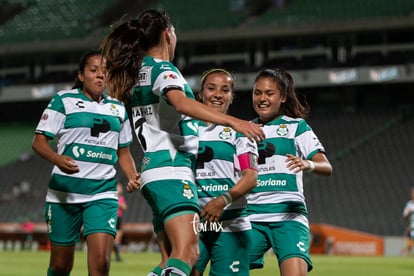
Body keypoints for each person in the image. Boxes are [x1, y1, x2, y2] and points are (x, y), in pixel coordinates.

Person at [100, 9, 264, 276]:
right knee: (189, 252)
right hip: (172, 170)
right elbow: (181, 102)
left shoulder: (137, 73)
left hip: (154, 171)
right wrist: (233, 121)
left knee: (169, 261)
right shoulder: (164, 69)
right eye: (174, 32)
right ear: (167, 34)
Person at [32, 49, 140, 276]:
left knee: (100, 264)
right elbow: (39, 142)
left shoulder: (118, 107)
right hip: (64, 193)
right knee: (61, 266)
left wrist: (132, 175)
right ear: (81, 75)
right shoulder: (64, 100)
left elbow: (123, 152)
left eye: (105, 71)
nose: (100, 75)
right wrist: (57, 159)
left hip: (102, 193)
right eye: (94, 70)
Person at [247, 68, 333, 276]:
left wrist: (308, 164)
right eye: (258, 93)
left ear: (283, 97)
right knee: (224, 269)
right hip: (251, 217)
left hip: (289, 216)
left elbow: (326, 166)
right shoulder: (244, 129)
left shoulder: (297, 127)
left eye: (269, 93)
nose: (262, 98)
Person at [191, 69, 258, 276]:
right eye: (211, 89)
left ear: (232, 96)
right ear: (201, 94)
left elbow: (251, 176)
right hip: (192, 224)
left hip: (230, 222)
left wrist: (222, 200)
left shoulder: (241, 131)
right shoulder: (184, 129)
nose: (218, 94)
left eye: (225, 90)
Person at [113, 182, 128, 262]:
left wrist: (119, 204)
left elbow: (125, 207)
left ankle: (117, 257)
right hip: (112, 218)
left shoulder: (121, 198)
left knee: (118, 239)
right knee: (112, 238)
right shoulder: (112, 197)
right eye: (119, 187)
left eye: (120, 188)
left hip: (118, 218)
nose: (120, 189)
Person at [402, 187, 414, 256]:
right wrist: (409, 213)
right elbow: (405, 217)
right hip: (412, 227)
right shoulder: (409, 204)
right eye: (413, 193)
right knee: (410, 245)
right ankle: (409, 257)